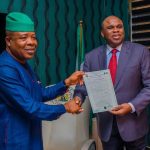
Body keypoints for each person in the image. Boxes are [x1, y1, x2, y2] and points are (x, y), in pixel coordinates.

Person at [0, 12, 84, 150]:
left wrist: (66, 82)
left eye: (33, 37)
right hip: (14, 141)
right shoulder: (4, 69)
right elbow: (30, 107)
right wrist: (65, 107)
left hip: (33, 137)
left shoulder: (23, 64)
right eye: (23, 37)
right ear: (9, 41)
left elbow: (40, 93)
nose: (31, 42)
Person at [74, 15, 150, 150]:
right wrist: (78, 98)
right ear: (102, 33)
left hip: (133, 123)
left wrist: (131, 106)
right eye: (110, 27)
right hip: (106, 126)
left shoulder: (141, 52)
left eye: (119, 27)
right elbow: (84, 85)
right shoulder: (91, 57)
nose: (116, 30)